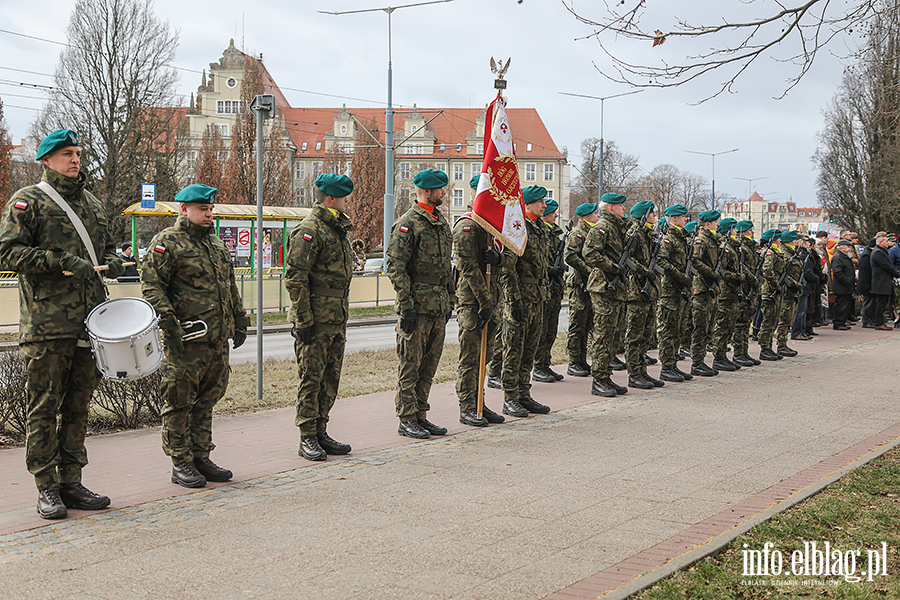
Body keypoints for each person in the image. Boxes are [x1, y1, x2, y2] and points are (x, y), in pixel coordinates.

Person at [0, 129, 125, 519]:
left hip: (90, 323)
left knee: (77, 407)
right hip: (47, 325)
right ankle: (46, 487)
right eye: (66, 154)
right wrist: (57, 261)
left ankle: (72, 481)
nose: (75, 160)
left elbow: (103, 250)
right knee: (44, 407)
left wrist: (116, 260)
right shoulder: (28, 201)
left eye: (77, 153)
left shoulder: (92, 203)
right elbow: (7, 251)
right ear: (46, 160)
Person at [142, 184, 249, 488]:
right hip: (186, 340)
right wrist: (169, 326)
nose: (208, 215)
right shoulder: (167, 243)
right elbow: (152, 287)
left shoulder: (215, 244)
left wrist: (239, 319)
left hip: (216, 337)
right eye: (203, 209)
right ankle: (180, 461)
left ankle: (201, 454)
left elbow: (229, 285)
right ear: (184, 210)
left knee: (207, 399)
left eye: (211, 209)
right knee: (179, 401)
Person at [286, 174, 355, 461]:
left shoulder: (336, 229)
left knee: (330, 378)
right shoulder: (310, 229)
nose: (347, 201)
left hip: (335, 317)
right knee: (311, 379)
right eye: (343, 197)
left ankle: (321, 429)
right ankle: (307, 437)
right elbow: (295, 277)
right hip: (315, 318)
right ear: (330, 199)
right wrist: (303, 320)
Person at [386, 169, 455, 439]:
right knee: (410, 366)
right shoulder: (408, 223)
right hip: (417, 305)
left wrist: (450, 300)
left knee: (429, 365)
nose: (444, 193)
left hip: (437, 306)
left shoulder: (440, 222)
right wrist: (407, 305)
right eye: (440, 189)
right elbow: (396, 266)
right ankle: (406, 418)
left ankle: (421, 414)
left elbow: (446, 268)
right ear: (427, 191)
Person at [452, 203, 511, 427]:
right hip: (472, 301)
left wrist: (499, 259)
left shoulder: (495, 225)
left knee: (485, 355)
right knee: (471, 356)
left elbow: (513, 255)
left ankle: (479, 401)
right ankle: (467, 406)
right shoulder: (467, 225)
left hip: (493, 299)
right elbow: (467, 266)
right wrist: (484, 299)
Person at [499, 185, 552, 416]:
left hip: (537, 297)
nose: (545, 205)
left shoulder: (541, 228)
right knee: (514, 350)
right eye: (540, 201)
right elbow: (508, 268)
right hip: (520, 296)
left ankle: (524, 393)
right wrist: (513, 300)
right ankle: (510, 398)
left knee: (529, 349)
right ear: (527, 205)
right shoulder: (517, 227)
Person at [583, 192, 630, 397]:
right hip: (603, 287)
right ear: (611, 207)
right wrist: (613, 267)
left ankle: (606, 375)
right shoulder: (602, 227)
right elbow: (589, 253)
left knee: (613, 335)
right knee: (603, 335)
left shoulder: (618, 228)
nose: (624, 209)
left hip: (616, 288)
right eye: (621, 206)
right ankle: (598, 379)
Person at [656, 205, 693, 383]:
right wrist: (680, 276)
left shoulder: (682, 239)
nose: (685, 219)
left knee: (678, 330)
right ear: (673, 219)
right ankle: (666, 367)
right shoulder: (668, 239)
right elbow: (661, 261)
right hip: (670, 291)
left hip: (680, 292)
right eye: (682, 217)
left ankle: (673, 365)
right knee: (668, 331)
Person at [533, 198, 567, 383]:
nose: (555, 215)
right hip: (543, 288)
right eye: (553, 212)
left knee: (551, 330)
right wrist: (549, 270)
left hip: (555, 288)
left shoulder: (554, 234)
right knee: (542, 329)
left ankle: (545, 364)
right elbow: (536, 261)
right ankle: (538, 366)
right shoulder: (541, 233)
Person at [565, 202, 599, 377]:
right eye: (595, 213)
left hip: (589, 285)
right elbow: (570, 256)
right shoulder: (578, 233)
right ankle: (573, 361)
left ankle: (582, 360)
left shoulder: (591, 232)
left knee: (586, 325)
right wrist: (589, 269)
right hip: (579, 285)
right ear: (587, 216)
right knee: (577, 325)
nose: (598, 216)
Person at [689, 210, 722, 376]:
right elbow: (694, 261)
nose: (718, 225)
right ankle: (697, 363)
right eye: (716, 222)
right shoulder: (701, 240)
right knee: (700, 328)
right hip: (701, 288)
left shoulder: (713, 239)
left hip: (710, 289)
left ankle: (701, 361)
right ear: (708, 224)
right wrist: (711, 273)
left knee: (707, 328)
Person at [709, 218, 743, 372]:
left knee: (729, 326)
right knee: (722, 326)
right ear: (728, 230)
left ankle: (723, 356)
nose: (737, 232)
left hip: (732, 292)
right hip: (725, 292)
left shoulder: (732, 246)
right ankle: (718, 358)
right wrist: (737, 277)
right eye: (734, 229)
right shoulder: (724, 246)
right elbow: (721, 271)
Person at [731, 221, 760, 367]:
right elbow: (743, 267)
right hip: (744, 288)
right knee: (740, 323)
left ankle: (744, 352)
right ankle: (738, 353)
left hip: (751, 288)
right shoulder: (741, 247)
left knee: (746, 322)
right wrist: (753, 279)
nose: (752, 233)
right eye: (749, 231)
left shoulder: (751, 247)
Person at [773, 231, 804, 357]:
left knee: (789, 318)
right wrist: (793, 284)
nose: (795, 243)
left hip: (793, 291)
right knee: (784, 318)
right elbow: (783, 274)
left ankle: (784, 344)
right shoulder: (785, 254)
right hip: (787, 291)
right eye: (793, 241)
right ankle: (781, 345)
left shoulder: (793, 254)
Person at [869, 233, 900, 330]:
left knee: (883, 302)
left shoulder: (882, 251)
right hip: (881, 282)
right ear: (881, 242)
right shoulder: (878, 252)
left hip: (883, 281)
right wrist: (897, 273)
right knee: (881, 302)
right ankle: (879, 323)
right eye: (886, 241)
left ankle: (880, 322)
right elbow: (886, 266)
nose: (888, 243)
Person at [831, 239, 856, 330]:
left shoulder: (845, 256)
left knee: (845, 305)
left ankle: (842, 322)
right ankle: (838, 323)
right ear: (842, 247)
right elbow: (838, 272)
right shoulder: (838, 257)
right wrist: (847, 280)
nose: (850, 248)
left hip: (846, 286)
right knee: (841, 305)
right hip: (842, 286)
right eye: (848, 247)